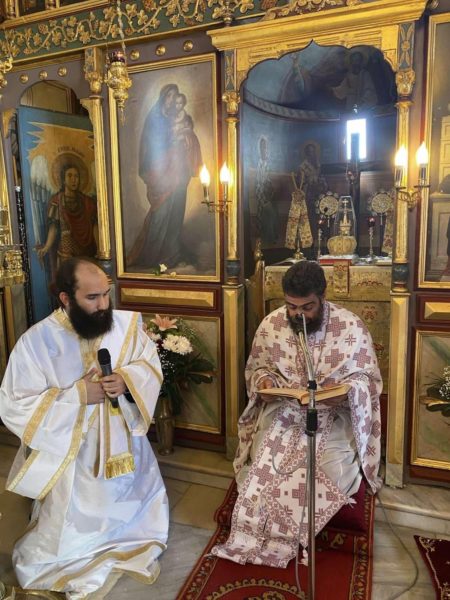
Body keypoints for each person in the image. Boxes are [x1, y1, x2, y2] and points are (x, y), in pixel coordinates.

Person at [0, 258, 169, 598]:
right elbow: (14, 404)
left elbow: (149, 365)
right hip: (75, 461)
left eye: (106, 294)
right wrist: (78, 395)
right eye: (92, 297)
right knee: (62, 540)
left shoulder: (125, 326)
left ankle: (133, 528)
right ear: (66, 298)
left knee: (136, 508)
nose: (103, 305)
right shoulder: (37, 342)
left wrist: (126, 380)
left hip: (127, 451)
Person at [212, 260, 382, 567]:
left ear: (322, 297)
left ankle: (288, 534)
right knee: (265, 465)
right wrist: (264, 382)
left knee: (327, 471)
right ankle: (258, 529)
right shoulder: (272, 324)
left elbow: (367, 380)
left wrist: (346, 390)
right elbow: (259, 367)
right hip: (285, 411)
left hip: (332, 415)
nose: (297, 315)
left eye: (307, 307)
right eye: (291, 306)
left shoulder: (350, 326)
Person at [128, 84, 202, 269]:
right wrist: (173, 144)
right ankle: (150, 256)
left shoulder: (176, 118)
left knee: (176, 215)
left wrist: (186, 139)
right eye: (169, 96)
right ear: (162, 98)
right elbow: (152, 151)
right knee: (160, 216)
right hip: (161, 177)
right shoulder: (155, 120)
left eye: (175, 97)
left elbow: (188, 135)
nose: (172, 100)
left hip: (179, 175)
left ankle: (172, 255)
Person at [37, 163, 98, 278]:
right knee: (68, 282)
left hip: (87, 251)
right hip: (66, 252)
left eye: (76, 176)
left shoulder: (87, 202)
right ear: (63, 179)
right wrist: (46, 247)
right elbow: (54, 227)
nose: (74, 179)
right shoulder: (56, 201)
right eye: (70, 176)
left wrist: (100, 248)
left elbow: (94, 225)